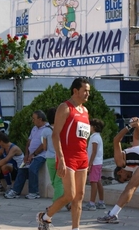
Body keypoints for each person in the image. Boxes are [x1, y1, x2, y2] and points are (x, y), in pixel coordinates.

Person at [37, 77, 91, 230]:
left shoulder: (85, 111)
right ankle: (46, 216)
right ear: (75, 91)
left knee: (79, 197)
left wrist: (86, 157)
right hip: (67, 157)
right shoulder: (65, 107)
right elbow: (56, 135)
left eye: (89, 91)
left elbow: (83, 136)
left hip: (82, 157)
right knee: (70, 195)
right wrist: (60, 158)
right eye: (85, 91)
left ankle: (75, 228)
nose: (87, 94)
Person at [4, 110, 48, 200]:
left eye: (34, 119)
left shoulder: (47, 129)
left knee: (32, 168)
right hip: (31, 155)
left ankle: (34, 192)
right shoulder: (34, 128)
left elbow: (44, 145)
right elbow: (29, 142)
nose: (32, 121)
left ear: (40, 119)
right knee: (22, 168)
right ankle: (16, 191)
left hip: (41, 155)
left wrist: (34, 154)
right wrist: (27, 154)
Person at [0, 131, 24, 195]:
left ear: (1, 141)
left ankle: (9, 187)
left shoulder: (14, 148)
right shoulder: (3, 149)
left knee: (4, 166)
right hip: (11, 168)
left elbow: (6, 159)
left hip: (20, 169)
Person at [42, 107, 64, 203]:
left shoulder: (45, 131)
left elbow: (44, 147)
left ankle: (56, 203)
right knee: (59, 181)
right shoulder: (63, 128)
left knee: (54, 181)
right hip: (61, 157)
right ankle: (64, 201)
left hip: (50, 158)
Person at [84, 118, 106, 211]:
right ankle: (101, 202)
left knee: (93, 183)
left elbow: (94, 151)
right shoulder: (96, 136)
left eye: (90, 125)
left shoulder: (95, 138)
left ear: (94, 127)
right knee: (98, 182)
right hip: (98, 163)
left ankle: (92, 203)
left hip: (95, 163)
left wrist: (89, 164)